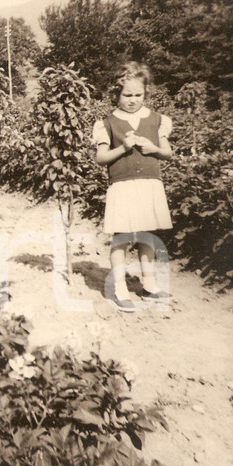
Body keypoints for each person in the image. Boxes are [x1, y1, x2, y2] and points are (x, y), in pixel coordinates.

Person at [92, 62, 173, 313]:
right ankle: (119, 287)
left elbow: (167, 152)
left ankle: (148, 284)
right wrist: (124, 148)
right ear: (116, 93)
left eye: (138, 95)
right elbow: (101, 157)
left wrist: (155, 149)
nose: (132, 100)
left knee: (147, 236)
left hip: (149, 183)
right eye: (127, 95)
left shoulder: (158, 120)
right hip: (123, 184)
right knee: (122, 237)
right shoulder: (107, 123)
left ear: (146, 92)